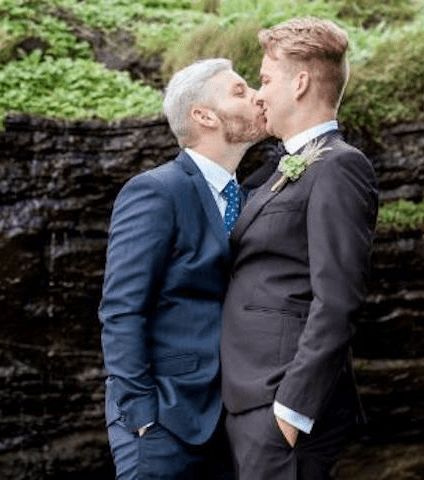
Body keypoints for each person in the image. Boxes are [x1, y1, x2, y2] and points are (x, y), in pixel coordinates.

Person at [221, 18, 379, 480]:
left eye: (266, 80)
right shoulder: (279, 169)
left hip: (281, 401)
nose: (259, 93)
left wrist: (290, 411)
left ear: (301, 83)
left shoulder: (339, 167)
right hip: (248, 399)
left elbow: (338, 300)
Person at [99, 58, 266, 479]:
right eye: (240, 91)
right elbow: (121, 310)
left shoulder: (249, 197)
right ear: (204, 115)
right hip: (164, 420)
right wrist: (142, 414)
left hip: (231, 424)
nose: (257, 98)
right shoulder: (156, 191)